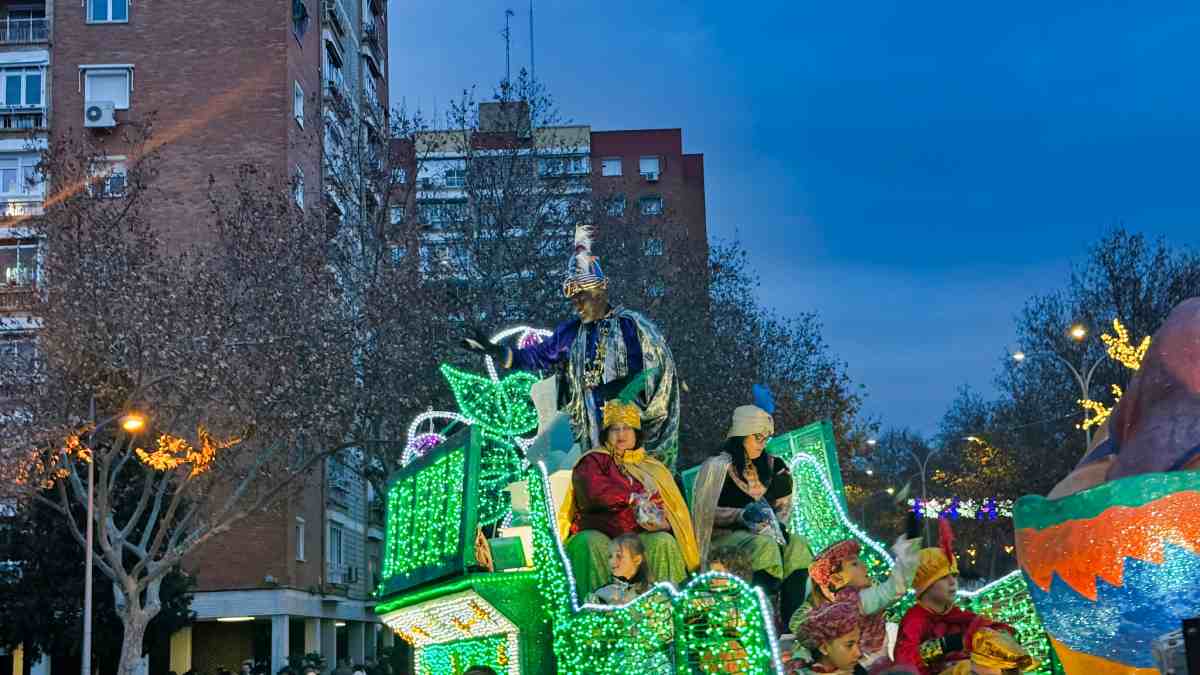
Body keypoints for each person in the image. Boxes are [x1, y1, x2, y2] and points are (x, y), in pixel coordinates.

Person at [462, 224, 682, 467]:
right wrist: (495, 351)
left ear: (600, 291)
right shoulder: (572, 332)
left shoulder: (630, 326)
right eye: (572, 299)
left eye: (582, 297)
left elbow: (648, 374)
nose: (576, 305)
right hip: (593, 436)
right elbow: (536, 356)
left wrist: (611, 392)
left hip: (630, 432)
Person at [558, 382, 699, 596]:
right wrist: (630, 497)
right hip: (600, 532)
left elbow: (669, 507)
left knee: (663, 542)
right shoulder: (594, 460)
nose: (621, 434)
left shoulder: (652, 467)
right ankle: (599, 613)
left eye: (627, 428)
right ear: (606, 433)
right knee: (588, 543)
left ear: (636, 433)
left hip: (638, 535)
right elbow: (593, 493)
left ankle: (666, 609)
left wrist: (659, 519)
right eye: (615, 428)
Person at [691, 392, 814, 622]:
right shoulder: (717, 467)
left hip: (767, 534)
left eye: (766, 438)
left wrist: (776, 519)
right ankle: (761, 620)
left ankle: (791, 623)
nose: (763, 443)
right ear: (741, 435)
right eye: (757, 437)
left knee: (798, 545)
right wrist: (741, 515)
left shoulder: (773, 464)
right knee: (764, 546)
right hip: (725, 537)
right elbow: (703, 514)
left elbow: (783, 507)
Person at [893, 520, 1034, 675]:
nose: (953, 582)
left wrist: (997, 636)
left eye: (954, 575)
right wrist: (947, 644)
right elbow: (906, 664)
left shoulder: (956, 615)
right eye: (943, 577)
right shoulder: (915, 619)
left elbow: (988, 628)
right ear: (926, 585)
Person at [790, 536, 920, 666]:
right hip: (870, 665)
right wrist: (907, 551)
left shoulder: (841, 604)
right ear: (837, 579)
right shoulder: (855, 601)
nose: (864, 566)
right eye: (854, 564)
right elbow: (894, 588)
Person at [787, 600, 869, 675]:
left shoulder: (857, 670)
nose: (858, 653)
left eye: (858, 642)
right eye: (849, 645)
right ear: (824, 648)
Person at [587, 533, 651, 604]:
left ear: (637, 559)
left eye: (619, 556)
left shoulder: (652, 593)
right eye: (610, 556)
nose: (612, 561)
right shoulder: (602, 594)